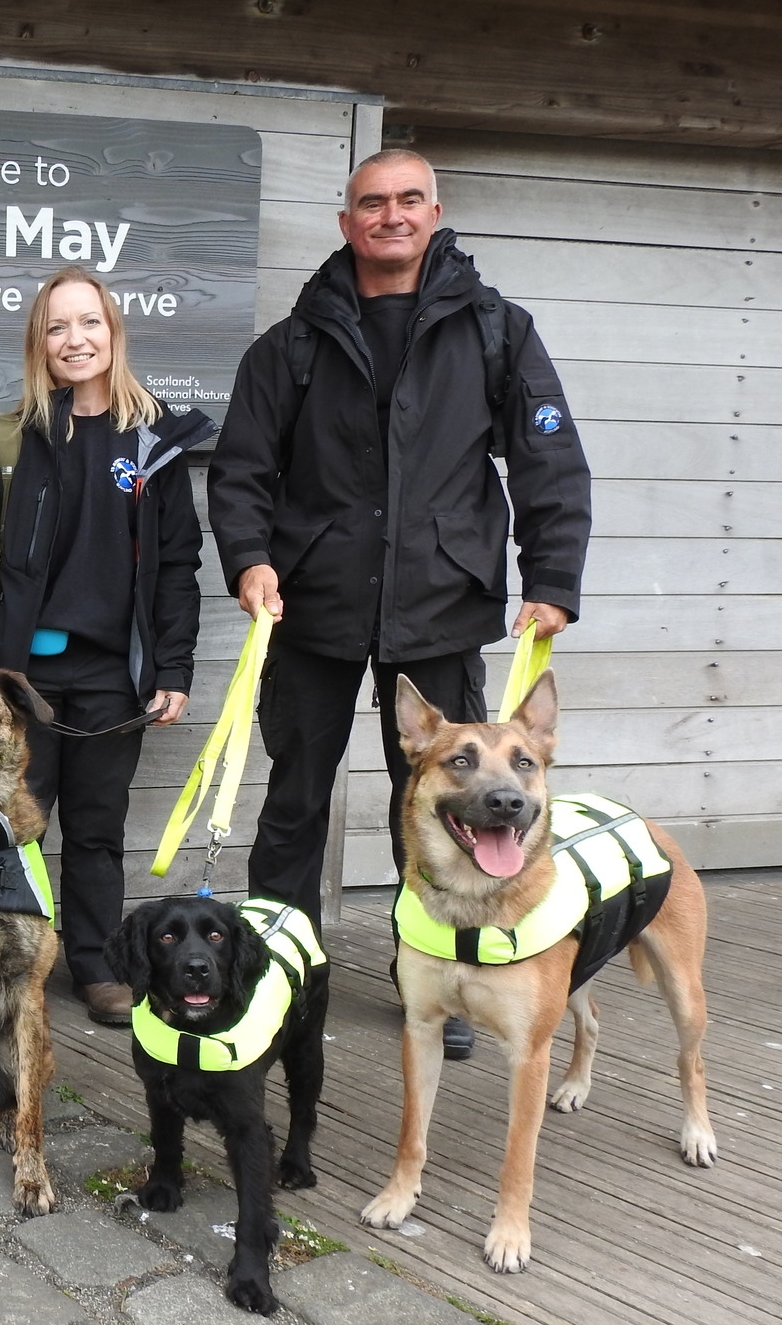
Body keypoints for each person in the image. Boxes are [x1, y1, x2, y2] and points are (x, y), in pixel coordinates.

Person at [208, 149, 593, 1059]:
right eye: (371, 203)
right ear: (347, 223)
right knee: (296, 799)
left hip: (442, 603)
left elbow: (550, 462)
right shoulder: (289, 346)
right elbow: (241, 472)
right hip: (313, 605)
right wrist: (250, 563)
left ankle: (445, 980)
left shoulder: (497, 331)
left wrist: (552, 581)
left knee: (442, 801)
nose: (390, 215)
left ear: (434, 211)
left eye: (407, 200)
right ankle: (282, 969)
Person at [0, 266, 215, 1025]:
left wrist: (173, 669)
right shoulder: (13, 442)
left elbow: (179, 567)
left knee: (97, 830)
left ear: (112, 332)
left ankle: (96, 964)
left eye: (88, 322)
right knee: (5, 823)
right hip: (20, 684)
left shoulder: (152, 443)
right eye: (57, 327)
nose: (75, 339)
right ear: (40, 343)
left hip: (111, 679)